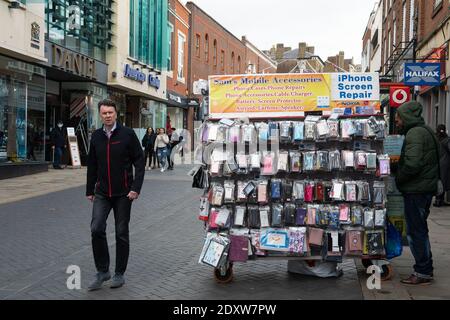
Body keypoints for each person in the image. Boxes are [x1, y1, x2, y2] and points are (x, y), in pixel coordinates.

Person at [86, 99, 145, 291]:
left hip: (123, 194)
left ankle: (119, 273)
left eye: (110, 112)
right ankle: (103, 271)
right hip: (102, 192)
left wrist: (135, 187)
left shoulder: (127, 134)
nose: (107, 116)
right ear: (100, 115)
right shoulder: (96, 136)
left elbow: (139, 161)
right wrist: (89, 189)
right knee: (96, 228)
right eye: (104, 113)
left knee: (121, 233)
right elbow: (92, 164)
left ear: (116, 113)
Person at [394, 101, 439, 286]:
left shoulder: (415, 133)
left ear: (406, 118)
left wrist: (399, 178)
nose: (396, 122)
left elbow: (413, 164)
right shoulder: (425, 130)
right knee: (420, 229)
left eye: (398, 118)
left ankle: (422, 271)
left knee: (416, 231)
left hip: (416, 189)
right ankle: (425, 267)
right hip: (424, 188)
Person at [434, 124, 450, 207]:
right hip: (445, 164)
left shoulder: (435, 139)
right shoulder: (447, 140)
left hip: (436, 163)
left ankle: (437, 200)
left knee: (438, 181)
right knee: (443, 182)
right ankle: (440, 200)